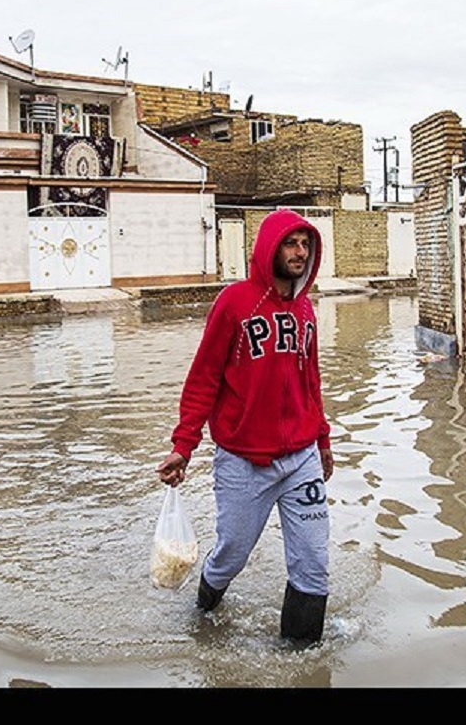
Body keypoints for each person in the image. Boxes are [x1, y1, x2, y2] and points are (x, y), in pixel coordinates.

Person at [156, 208, 335, 646]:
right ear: (269, 248)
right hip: (242, 462)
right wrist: (184, 445)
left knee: (313, 562)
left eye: (305, 245)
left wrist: (323, 441)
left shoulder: (306, 311)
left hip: (302, 460)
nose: (299, 252)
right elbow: (204, 378)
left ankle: (302, 660)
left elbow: (310, 382)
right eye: (291, 244)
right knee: (231, 554)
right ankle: (203, 612)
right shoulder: (234, 303)